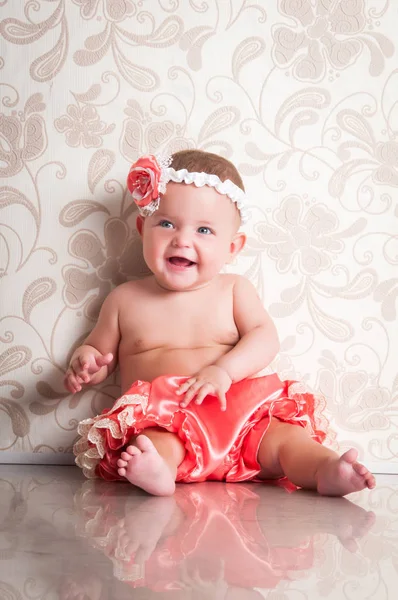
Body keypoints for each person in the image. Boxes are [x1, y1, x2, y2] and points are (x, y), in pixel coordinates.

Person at [65, 149, 375, 497]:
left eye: (204, 230)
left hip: (241, 415)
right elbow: (100, 354)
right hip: (167, 419)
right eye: (166, 223)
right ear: (142, 228)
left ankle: (325, 469)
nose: (183, 239)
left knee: (286, 439)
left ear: (232, 247)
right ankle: (159, 471)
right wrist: (88, 362)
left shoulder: (233, 290)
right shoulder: (124, 299)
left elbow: (265, 337)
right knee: (152, 443)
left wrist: (224, 371)